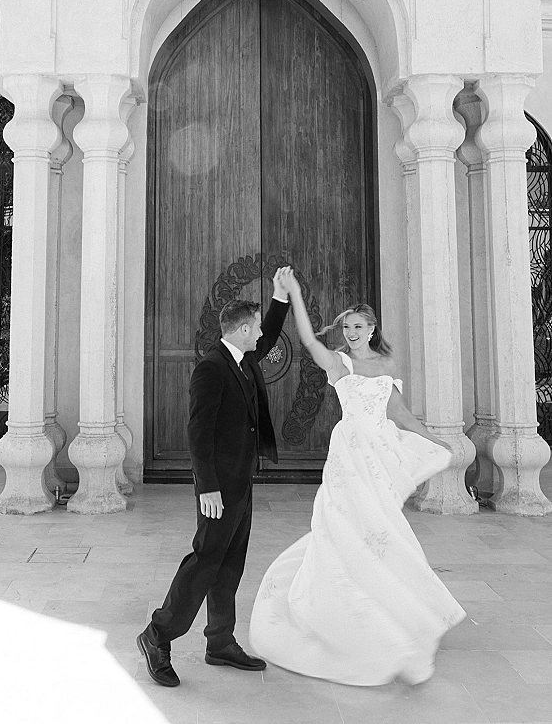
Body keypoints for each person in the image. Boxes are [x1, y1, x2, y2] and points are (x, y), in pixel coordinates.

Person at [249, 269, 466, 686]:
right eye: (346, 327)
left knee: (381, 526)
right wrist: (292, 294)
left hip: (379, 455)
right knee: (342, 523)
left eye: (357, 327)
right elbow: (310, 342)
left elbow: (399, 412)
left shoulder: (385, 363)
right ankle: (338, 610)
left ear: (371, 329)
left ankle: (397, 605)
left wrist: (436, 439)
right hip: (349, 455)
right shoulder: (340, 362)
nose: (350, 333)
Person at [137, 268, 290, 687]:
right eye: (256, 327)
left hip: (241, 481)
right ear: (242, 330)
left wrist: (279, 299)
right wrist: (208, 486)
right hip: (219, 487)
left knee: (230, 565)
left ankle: (220, 641)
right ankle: (157, 634)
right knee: (205, 561)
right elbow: (197, 432)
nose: (261, 334)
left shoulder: (242, 358)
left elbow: (272, 336)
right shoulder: (212, 368)